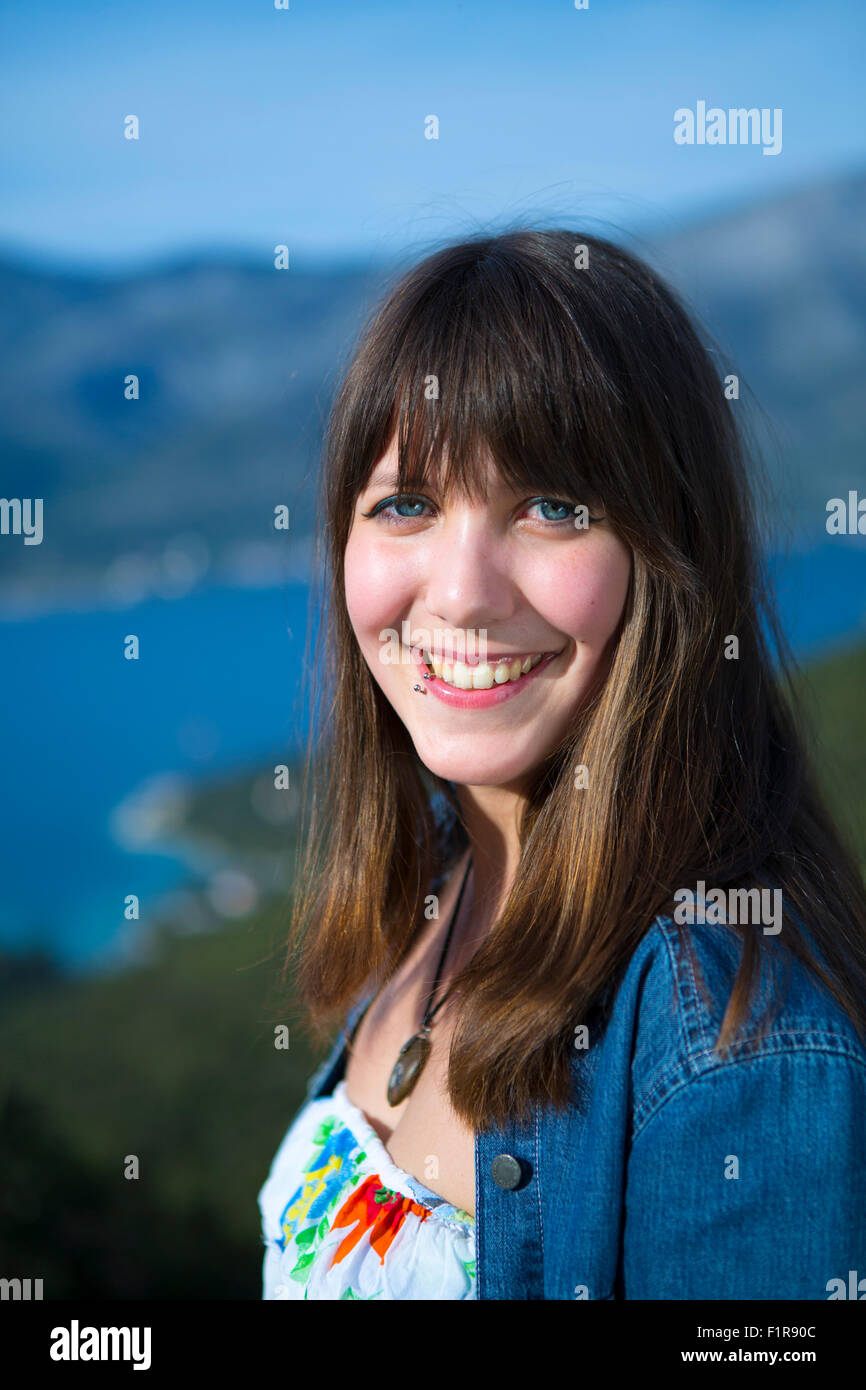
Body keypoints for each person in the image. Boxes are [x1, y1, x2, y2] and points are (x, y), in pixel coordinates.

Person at [258, 228, 866, 1300]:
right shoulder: (439, 883)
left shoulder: (737, 1037)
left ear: (666, 552)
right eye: (407, 503)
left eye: (551, 506)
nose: (460, 592)